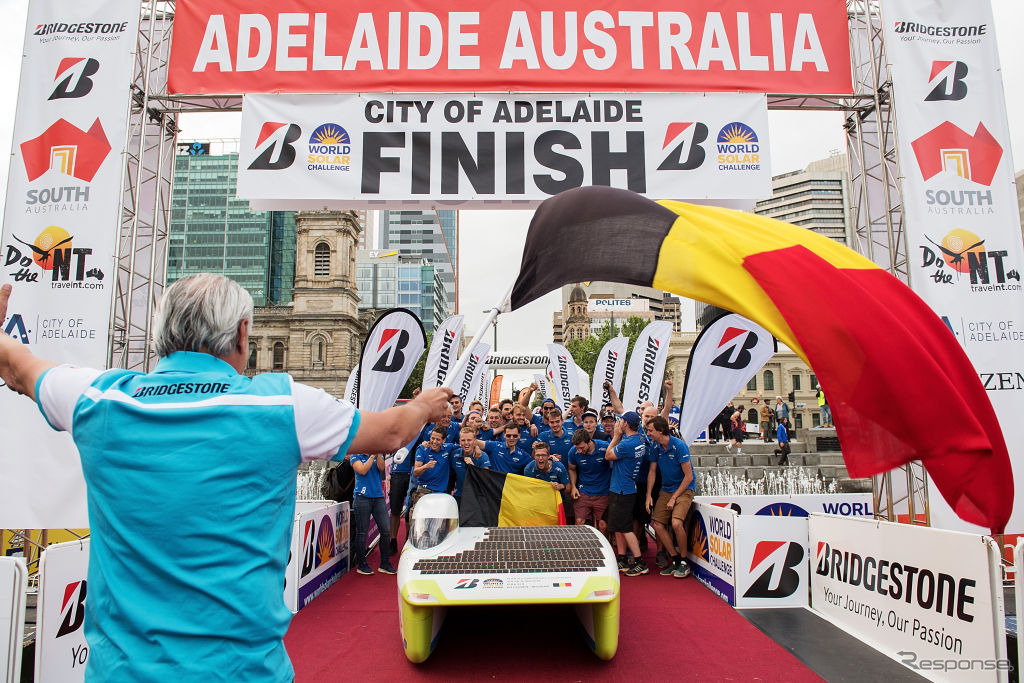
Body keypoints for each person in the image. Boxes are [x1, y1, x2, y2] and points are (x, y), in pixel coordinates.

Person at [0, 277, 453, 681]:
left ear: (162, 336)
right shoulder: (281, 405)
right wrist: (426, 405)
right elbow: (391, 432)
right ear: (241, 335)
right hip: (242, 670)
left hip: (119, 671)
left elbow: (19, 368)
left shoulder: (98, 398)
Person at [644, 417, 695, 579]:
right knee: (658, 524)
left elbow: (689, 477)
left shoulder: (679, 446)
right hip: (666, 489)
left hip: (684, 489)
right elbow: (652, 471)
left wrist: (674, 498)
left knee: (676, 523)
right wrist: (648, 495)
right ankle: (675, 559)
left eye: (651, 431)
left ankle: (685, 561)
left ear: (660, 431)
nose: (648, 433)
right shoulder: (656, 446)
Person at [604, 411, 649, 577]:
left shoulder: (626, 444)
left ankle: (639, 561)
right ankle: (621, 558)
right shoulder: (639, 439)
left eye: (620, 421)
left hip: (622, 488)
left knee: (625, 527)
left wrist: (615, 436)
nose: (618, 423)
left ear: (626, 424)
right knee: (617, 525)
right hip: (625, 486)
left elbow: (608, 455)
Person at [350, 452, 397, 575]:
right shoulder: (356, 456)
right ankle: (362, 564)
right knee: (362, 532)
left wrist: (378, 455)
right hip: (362, 498)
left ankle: (385, 563)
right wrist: (371, 456)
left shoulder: (377, 454)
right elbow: (362, 470)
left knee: (386, 530)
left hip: (378, 497)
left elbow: (381, 468)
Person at [567, 429, 611, 533]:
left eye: (582, 448)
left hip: (603, 491)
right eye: (577, 448)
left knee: (603, 526)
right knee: (579, 522)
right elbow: (572, 469)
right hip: (584, 491)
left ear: (589, 442)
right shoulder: (573, 452)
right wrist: (573, 487)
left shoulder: (605, 446)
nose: (580, 451)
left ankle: (604, 548)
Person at [451, 426, 491, 505]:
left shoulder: (482, 456)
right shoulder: (454, 454)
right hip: (458, 495)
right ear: (459, 441)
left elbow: (485, 479)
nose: (466, 443)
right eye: (463, 440)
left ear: (475, 441)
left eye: (469, 440)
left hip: (476, 496)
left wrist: (473, 467)